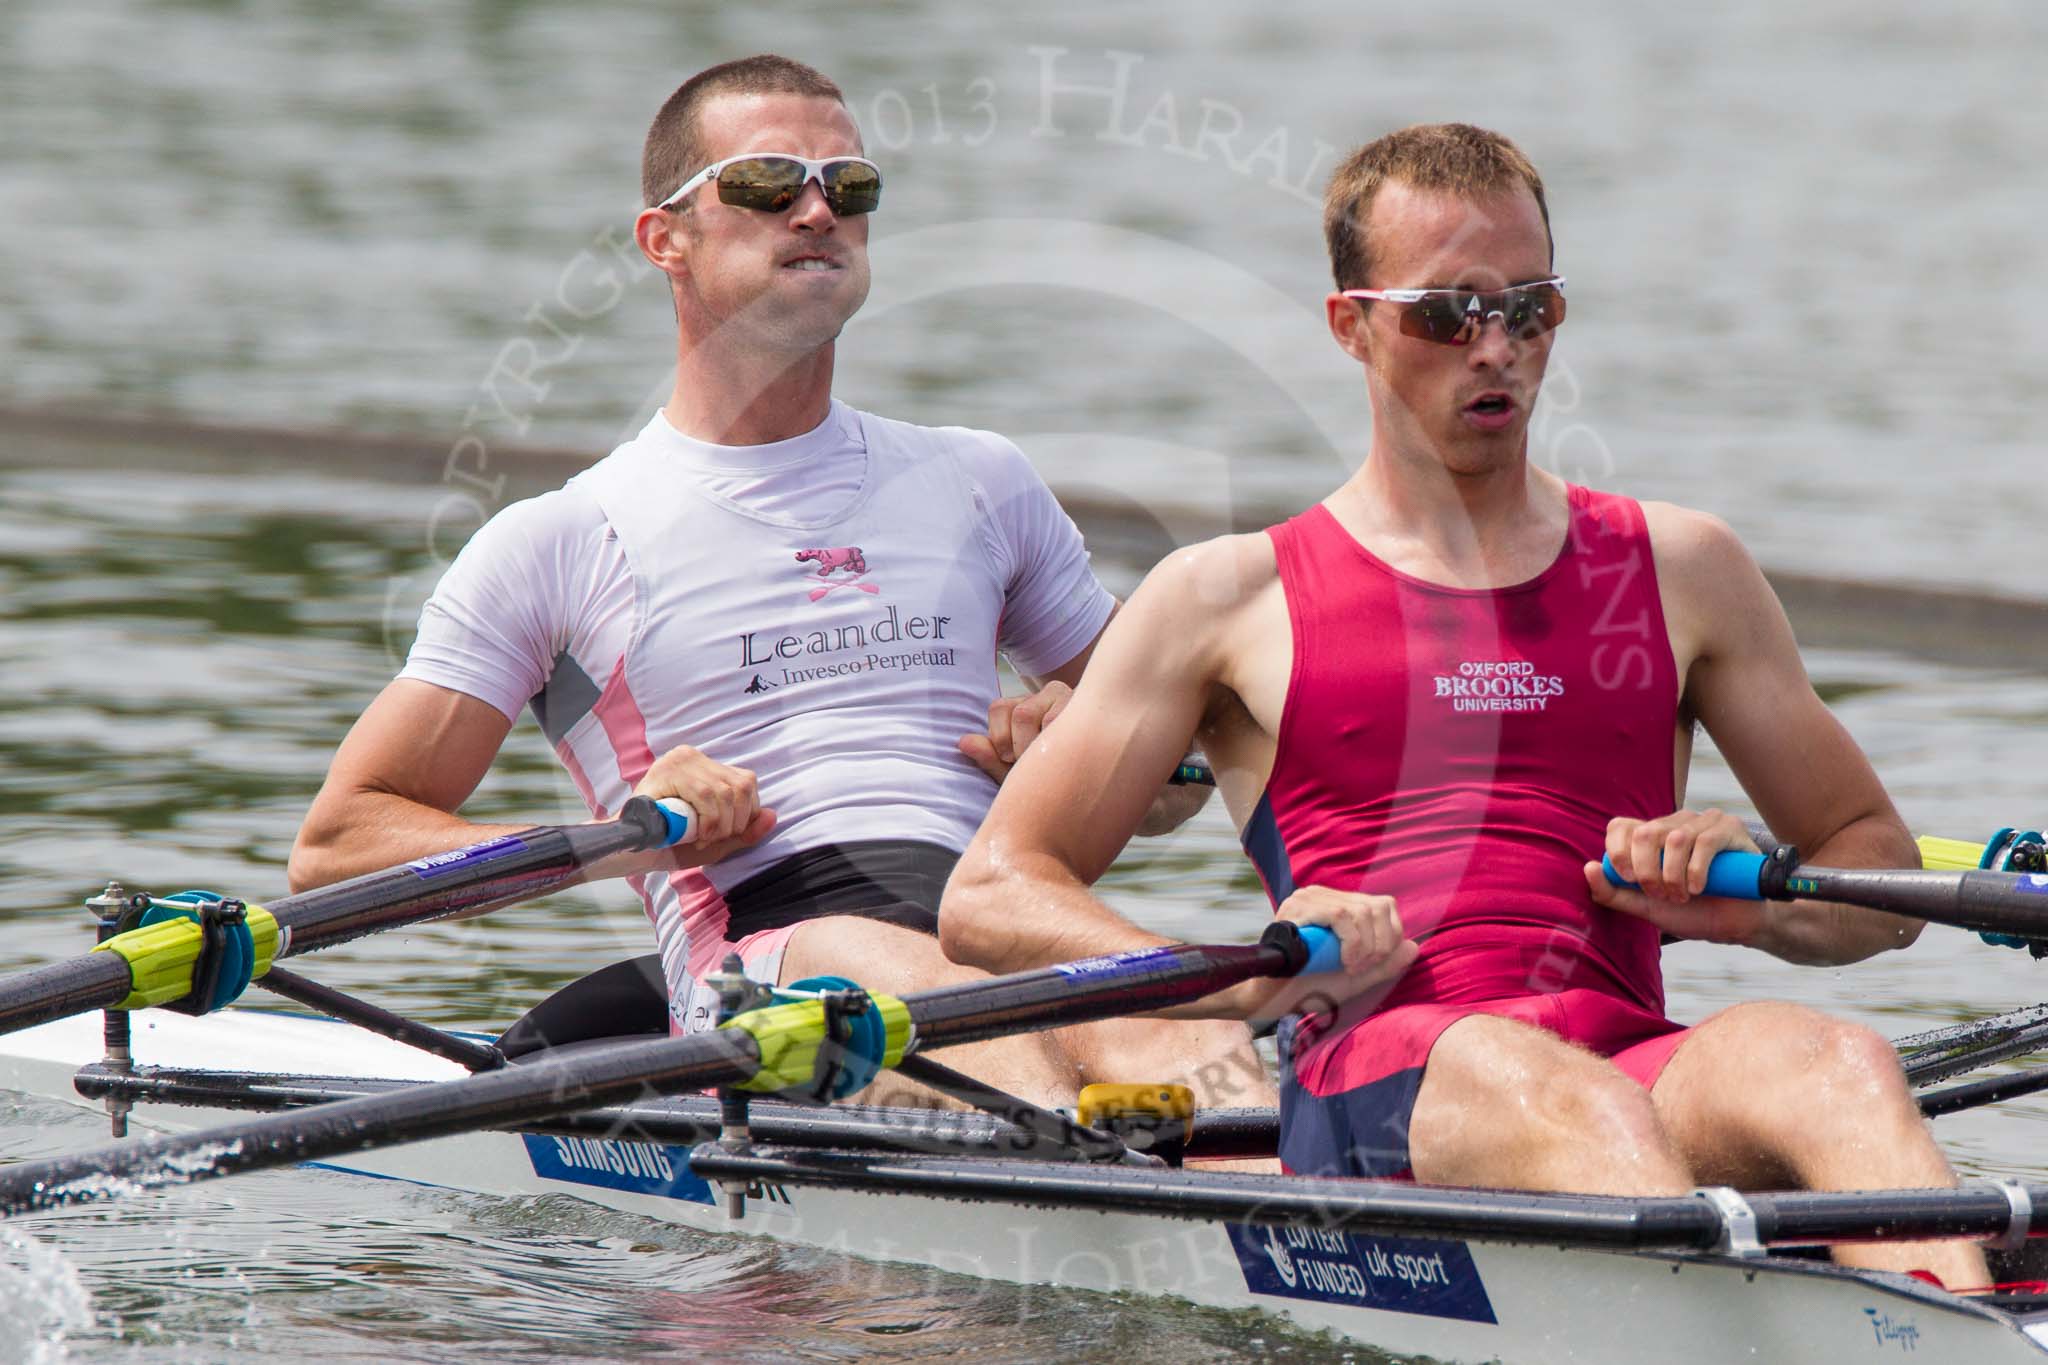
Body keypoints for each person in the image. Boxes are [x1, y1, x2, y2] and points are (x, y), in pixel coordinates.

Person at [941, 122, 1986, 1286]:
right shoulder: (1225, 597)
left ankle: (1947, 1325)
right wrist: (1239, 977)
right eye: (1446, 314)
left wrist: (1754, 909)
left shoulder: (1685, 568)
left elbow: (1876, 875)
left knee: (1830, 1060)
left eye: (1526, 308)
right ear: (1351, 327)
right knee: (1533, 1082)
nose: (1493, 348)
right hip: (1383, 1085)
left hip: (1630, 1057)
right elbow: (991, 894)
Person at [288, 54, 1263, 1114]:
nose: (815, 211)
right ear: (666, 238)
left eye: (848, 188)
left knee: (1193, 1032)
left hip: (1006, 914)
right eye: (765, 184)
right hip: (767, 962)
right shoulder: (563, 539)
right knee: (895, 971)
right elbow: (340, 842)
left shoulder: (981, 482)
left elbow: (1175, 782)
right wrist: (622, 836)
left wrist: (1078, 746)